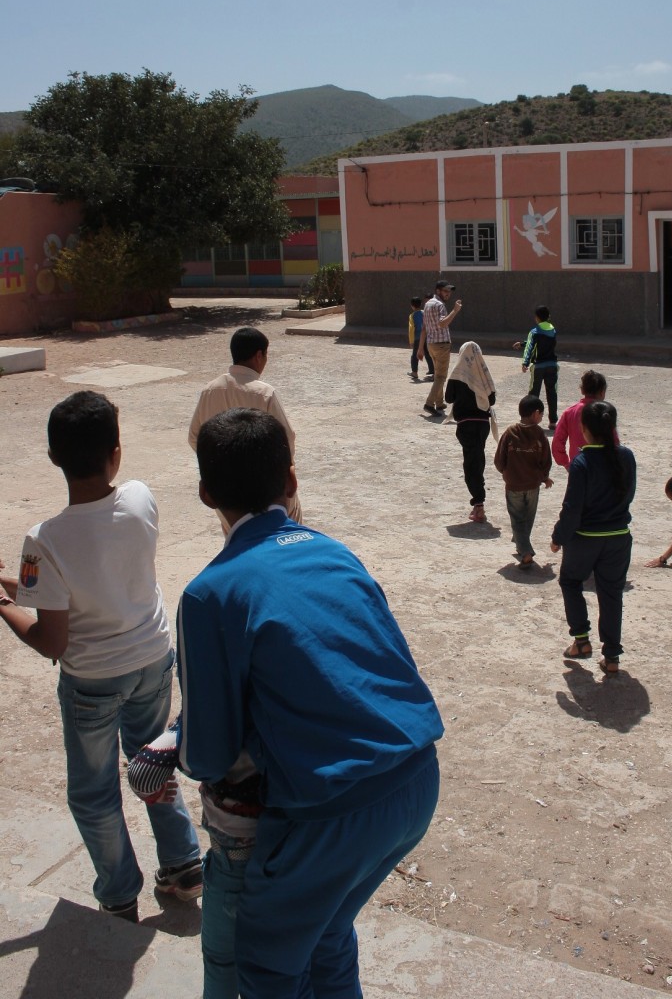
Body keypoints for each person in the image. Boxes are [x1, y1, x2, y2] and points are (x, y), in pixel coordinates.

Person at [177, 409, 443, 999]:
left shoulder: (209, 593)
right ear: (291, 480)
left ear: (204, 494)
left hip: (332, 810)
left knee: (269, 964)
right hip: (416, 780)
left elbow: (207, 752)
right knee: (326, 931)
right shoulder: (334, 552)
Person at [0, 391, 201, 922]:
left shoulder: (43, 540)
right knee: (151, 764)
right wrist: (12, 582)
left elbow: (51, 640)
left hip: (93, 682)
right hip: (152, 662)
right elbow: (76, 580)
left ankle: (117, 893)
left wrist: (3, 602)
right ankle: (182, 862)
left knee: (93, 794)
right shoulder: (140, 498)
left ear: (52, 456)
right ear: (116, 452)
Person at [129, 720, 261, 999]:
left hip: (234, 853)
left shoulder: (221, 690)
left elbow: (143, 772)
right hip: (301, 848)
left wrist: (153, 792)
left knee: (222, 962)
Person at [551, 400, 636, 674]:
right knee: (611, 594)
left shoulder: (582, 462)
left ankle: (581, 640)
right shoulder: (627, 457)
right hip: (619, 537)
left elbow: (572, 509)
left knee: (570, 581)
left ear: (584, 429)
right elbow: (628, 495)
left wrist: (559, 536)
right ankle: (611, 656)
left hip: (585, 538)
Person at [188, 326, 301, 522]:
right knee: (286, 528)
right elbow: (286, 439)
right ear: (259, 355)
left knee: (235, 536)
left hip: (226, 489)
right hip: (265, 486)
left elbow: (194, 437)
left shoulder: (209, 390)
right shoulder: (264, 393)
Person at [494, 394, 553, 568]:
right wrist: (544, 477)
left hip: (513, 485)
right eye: (541, 415)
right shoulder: (539, 434)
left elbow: (499, 459)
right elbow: (545, 460)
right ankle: (523, 545)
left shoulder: (510, 432)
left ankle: (524, 550)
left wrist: (506, 472)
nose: (541, 418)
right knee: (527, 517)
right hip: (533, 485)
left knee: (517, 517)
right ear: (536, 414)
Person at [445, 341, 496, 522]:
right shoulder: (483, 372)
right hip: (482, 425)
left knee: (471, 464)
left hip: (466, 426)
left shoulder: (457, 375)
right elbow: (492, 398)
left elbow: (448, 397)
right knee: (478, 460)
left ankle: (479, 504)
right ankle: (479, 502)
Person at [417, 279, 463, 416]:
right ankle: (429, 404)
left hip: (431, 344)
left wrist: (420, 348)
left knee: (438, 374)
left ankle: (439, 402)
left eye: (449, 291)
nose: (448, 294)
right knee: (441, 376)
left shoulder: (428, 304)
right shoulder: (440, 305)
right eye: (445, 291)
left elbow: (424, 328)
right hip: (441, 344)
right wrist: (455, 311)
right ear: (438, 291)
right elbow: (443, 324)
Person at [512, 304, 558, 429]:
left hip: (538, 367)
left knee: (533, 395)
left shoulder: (534, 331)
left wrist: (525, 363)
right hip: (552, 366)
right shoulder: (553, 330)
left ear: (537, 317)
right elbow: (539, 343)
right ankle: (553, 421)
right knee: (552, 393)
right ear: (548, 317)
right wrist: (522, 343)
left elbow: (530, 347)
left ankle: (530, 419)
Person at [552, 370, 609, 469]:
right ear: (602, 392)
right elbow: (614, 440)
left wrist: (565, 463)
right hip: (602, 467)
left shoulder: (570, 412)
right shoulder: (605, 412)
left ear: (582, 390)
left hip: (578, 466)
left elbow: (558, 441)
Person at [408, 295, 434, 381]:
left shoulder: (412, 316)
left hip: (417, 338)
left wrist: (411, 341)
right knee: (428, 354)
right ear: (421, 304)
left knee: (415, 355)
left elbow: (411, 329)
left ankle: (414, 372)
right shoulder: (424, 312)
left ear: (412, 305)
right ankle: (432, 371)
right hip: (427, 336)